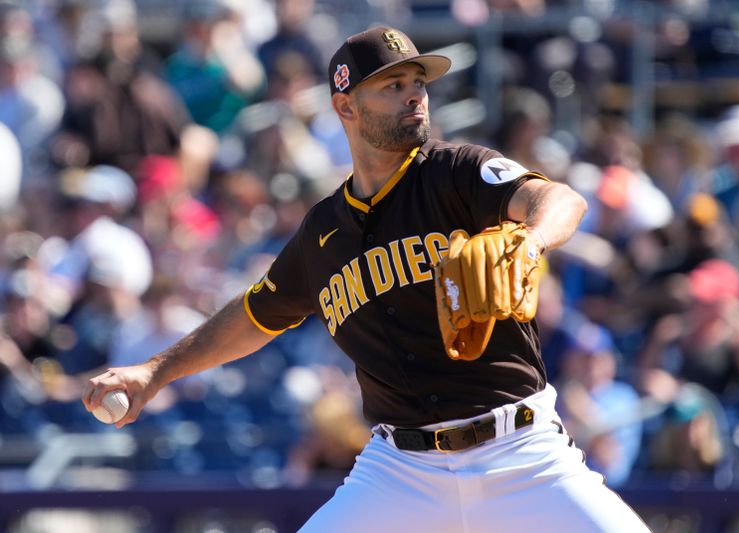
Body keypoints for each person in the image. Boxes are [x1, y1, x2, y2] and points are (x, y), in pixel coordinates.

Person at [83, 26, 650, 532]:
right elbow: (255, 316)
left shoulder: (456, 171)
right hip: (401, 473)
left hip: (522, 452)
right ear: (345, 106)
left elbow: (559, 199)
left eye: (418, 83)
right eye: (392, 85)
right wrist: (154, 372)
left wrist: (530, 238)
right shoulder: (324, 232)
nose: (414, 95)